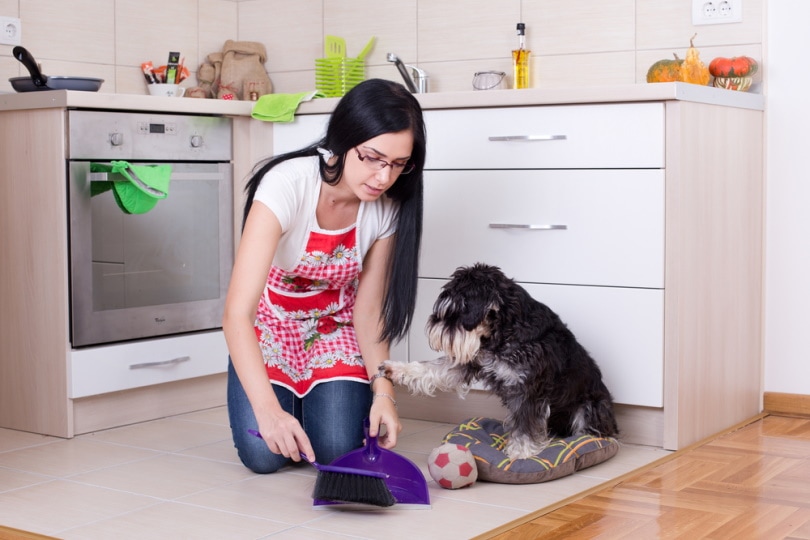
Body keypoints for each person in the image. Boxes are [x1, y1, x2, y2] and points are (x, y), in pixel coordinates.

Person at [223, 78, 426, 473]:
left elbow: (368, 313)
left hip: (334, 331)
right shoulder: (286, 184)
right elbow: (237, 314)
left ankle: (306, 403)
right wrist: (268, 412)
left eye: (398, 164)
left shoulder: (387, 207)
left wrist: (384, 395)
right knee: (264, 456)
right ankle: (280, 399)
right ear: (344, 139)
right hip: (271, 327)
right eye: (372, 157)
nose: (384, 177)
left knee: (335, 449)